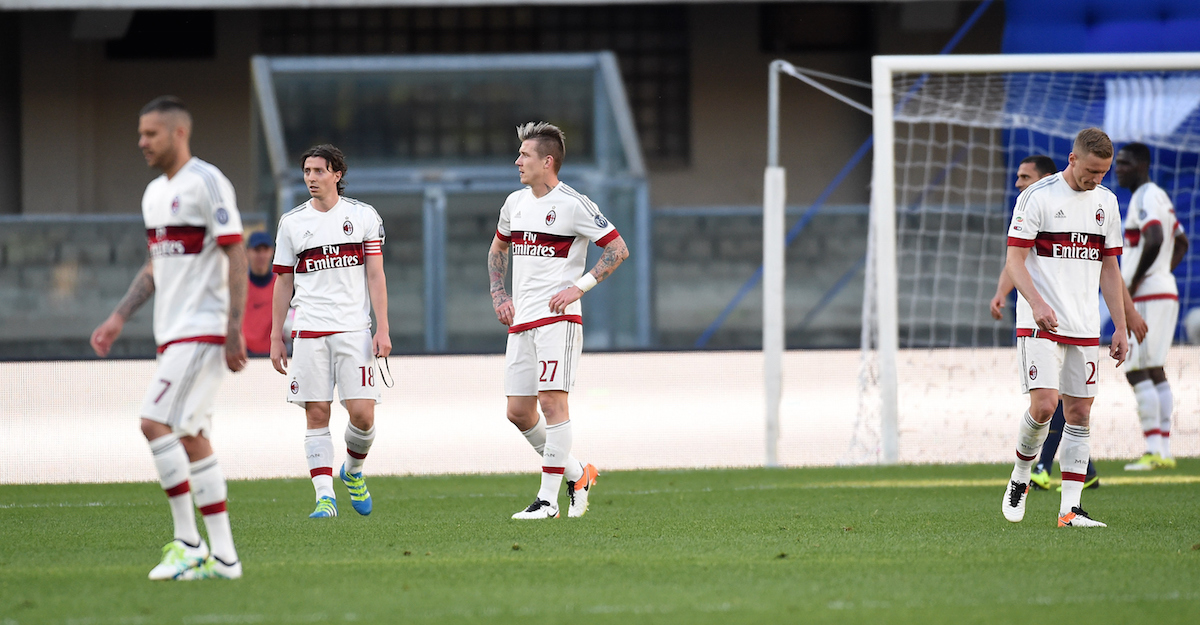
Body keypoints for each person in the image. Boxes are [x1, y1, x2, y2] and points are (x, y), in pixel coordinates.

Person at [90, 96, 246, 579]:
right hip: (171, 333)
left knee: (153, 423)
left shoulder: (207, 181)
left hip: (202, 330)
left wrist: (234, 327)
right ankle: (225, 559)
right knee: (193, 438)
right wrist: (118, 317)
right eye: (140, 133)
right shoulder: (154, 194)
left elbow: (235, 254)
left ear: (179, 133)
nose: (142, 142)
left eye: (150, 133)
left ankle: (187, 543)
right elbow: (157, 264)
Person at [488, 122, 629, 519]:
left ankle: (548, 500)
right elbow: (497, 249)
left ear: (547, 161)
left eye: (525, 155)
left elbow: (618, 249)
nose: (517, 161)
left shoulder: (574, 203)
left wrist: (579, 287)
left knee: (552, 402)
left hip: (558, 320)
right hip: (522, 322)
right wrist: (500, 295)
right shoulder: (514, 203)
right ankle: (578, 474)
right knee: (518, 411)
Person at [1000, 127, 1128, 528]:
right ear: (1072, 160)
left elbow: (1110, 269)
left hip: (1085, 326)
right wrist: (1036, 303)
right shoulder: (1037, 197)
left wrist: (1120, 327)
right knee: (1043, 406)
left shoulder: (1106, 202)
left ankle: (1070, 511)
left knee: (1079, 414)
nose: (1097, 180)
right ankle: (1022, 473)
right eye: (1091, 171)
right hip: (1039, 322)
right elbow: (1015, 261)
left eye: (1103, 173)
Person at [270, 144, 390, 519]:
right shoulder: (292, 223)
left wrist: (382, 327)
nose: (311, 178)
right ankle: (325, 498)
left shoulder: (363, 216)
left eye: (319, 171)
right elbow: (282, 282)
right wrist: (276, 335)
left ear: (337, 174)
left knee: (363, 415)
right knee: (316, 413)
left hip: (355, 330)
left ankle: (352, 471)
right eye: (306, 171)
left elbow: (375, 273)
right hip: (308, 331)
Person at [1114, 142, 1190, 471]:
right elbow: (1182, 242)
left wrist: (1133, 284)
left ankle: (1154, 449)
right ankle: (1163, 450)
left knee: (1136, 368)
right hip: (1163, 291)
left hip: (1145, 296)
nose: (1119, 169)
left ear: (1142, 165)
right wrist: (1162, 274)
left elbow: (1155, 237)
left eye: (1125, 163)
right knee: (1154, 367)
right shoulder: (1159, 195)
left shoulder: (1144, 195)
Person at [244, 231, 276, 357]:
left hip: (274, 355)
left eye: (265, 250)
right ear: (248, 252)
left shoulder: (281, 286)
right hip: (245, 355)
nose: (261, 255)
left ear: (272, 252)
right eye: (257, 250)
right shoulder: (239, 287)